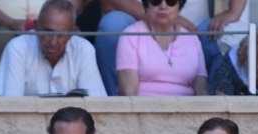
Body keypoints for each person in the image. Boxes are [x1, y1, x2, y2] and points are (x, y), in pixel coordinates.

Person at [97, 0, 247, 95]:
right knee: (112, 24)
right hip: (139, 18)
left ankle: (217, 119)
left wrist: (234, 11)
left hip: (198, 28)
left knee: (223, 35)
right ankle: (115, 107)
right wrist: (168, 15)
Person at [0, 0, 106, 96]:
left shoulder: (83, 50)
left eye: (61, 35)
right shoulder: (17, 48)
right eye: (48, 32)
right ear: (36, 27)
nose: (53, 42)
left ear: (72, 33)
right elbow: (9, 106)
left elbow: (94, 105)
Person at [115, 0, 207, 96]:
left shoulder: (192, 39)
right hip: (144, 108)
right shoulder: (131, 35)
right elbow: (128, 93)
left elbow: (202, 91)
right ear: (147, 4)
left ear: (179, 5)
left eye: (171, 1)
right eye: (156, 1)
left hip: (186, 109)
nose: (163, 6)